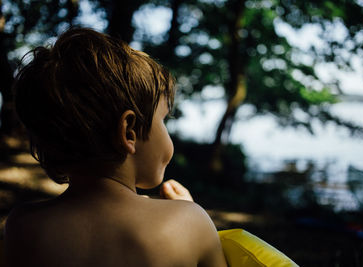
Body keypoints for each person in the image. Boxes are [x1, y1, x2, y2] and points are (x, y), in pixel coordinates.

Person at [5, 28, 228, 267]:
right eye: (164, 120)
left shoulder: (22, 226)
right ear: (129, 131)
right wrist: (187, 210)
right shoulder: (190, 222)